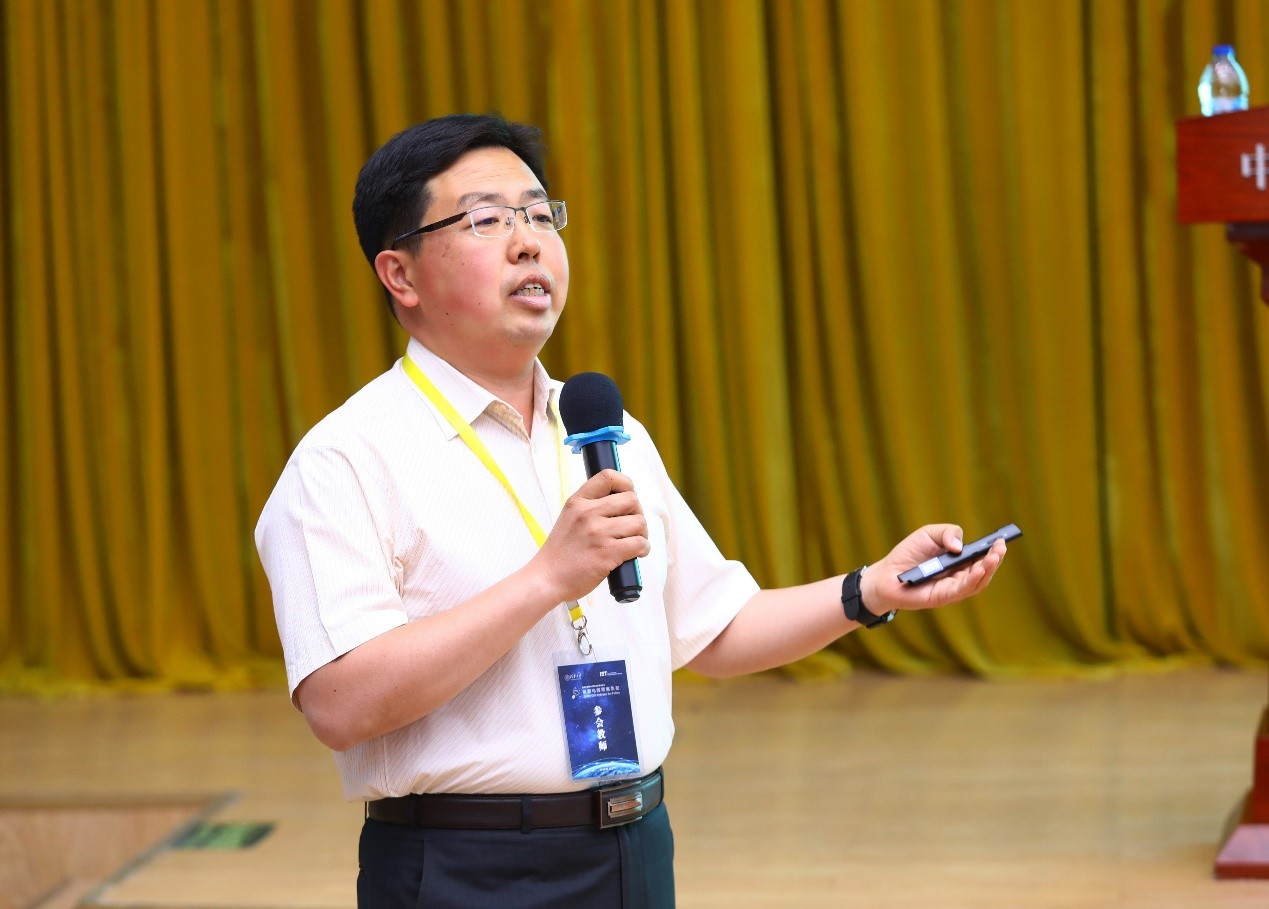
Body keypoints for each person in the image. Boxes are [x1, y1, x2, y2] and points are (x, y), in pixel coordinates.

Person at [254, 112, 1007, 909]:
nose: (528, 242)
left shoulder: (604, 433)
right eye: (485, 220)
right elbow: (339, 702)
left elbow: (714, 625)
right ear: (399, 275)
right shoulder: (346, 459)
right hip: (461, 866)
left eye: (540, 214)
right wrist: (548, 578)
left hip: (633, 849)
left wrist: (870, 590)